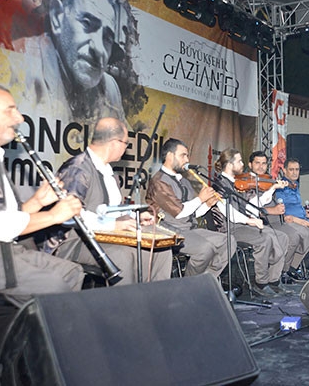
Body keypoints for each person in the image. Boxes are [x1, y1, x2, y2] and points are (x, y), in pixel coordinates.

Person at [0, 84, 84, 305]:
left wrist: (37, 202)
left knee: (72, 273)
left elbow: (2, 216)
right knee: (55, 287)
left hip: (0, 249)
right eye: (10, 110)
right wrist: (53, 215)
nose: (20, 118)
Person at [46, 117, 172, 284]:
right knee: (124, 255)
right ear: (114, 143)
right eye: (126, 144)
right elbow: (70, 216)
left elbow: (113, 210)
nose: (126, 148)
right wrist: (113, 225)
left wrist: (135, 216)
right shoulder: (77, 168)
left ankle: (154, 298)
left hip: (107, 237)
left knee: (161, 251)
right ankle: (125, 301)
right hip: (75, 241)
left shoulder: (108, 172)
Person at [13, 0, 126, 128]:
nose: (99, 49)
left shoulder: (110, 88)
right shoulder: (19, 63)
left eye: (107, 38)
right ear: (57, 17)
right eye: (87, 24)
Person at [145, 138, 230, 277]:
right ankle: (191, 284)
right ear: (170, 156)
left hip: (190, 230)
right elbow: (179, 212)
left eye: (187, 155)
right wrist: (200, 199)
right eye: (183, 155)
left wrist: (207, 205)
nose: (187, 159)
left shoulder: (184, 181)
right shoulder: (159, 182)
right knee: (205, 249)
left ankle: (207, 279)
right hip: (170, 232)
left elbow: (192, 213)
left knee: (228, 241)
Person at [212, 148, 289, 297]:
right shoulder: (219, 184)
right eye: (239, 161)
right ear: (230, 164)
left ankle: (274, 280)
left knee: (282, 237)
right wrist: (250, 220)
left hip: (242, 225)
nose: (242, 164)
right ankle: (261, 283)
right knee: (264, 239)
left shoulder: (236, 183)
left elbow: (251, 205)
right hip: (229, 228)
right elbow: (230, 213)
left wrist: (272, 188)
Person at [247, 151, 309, 283]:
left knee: (306, 234)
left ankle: (285, 270)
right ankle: (278, 274)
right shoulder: (247, 184)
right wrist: (273, 210)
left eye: (264, 163)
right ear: (250, 165)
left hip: (277, 219)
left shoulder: (267, 180)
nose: (261, 166)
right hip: (263, 221)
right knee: (292, 237)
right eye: (257, 163)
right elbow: (249, 209)